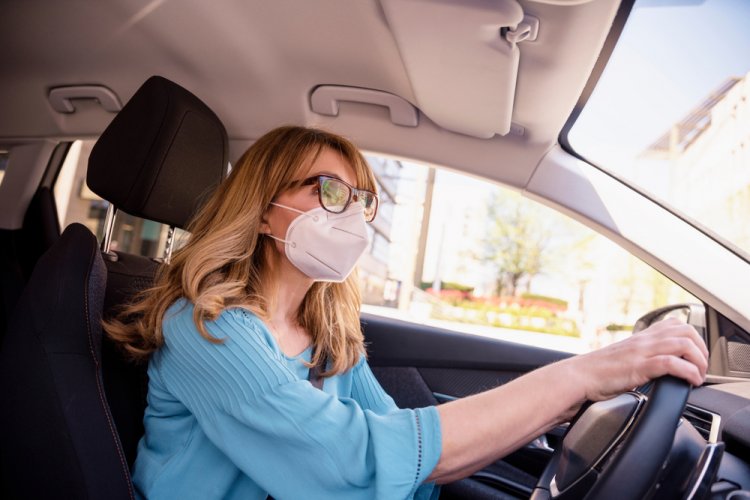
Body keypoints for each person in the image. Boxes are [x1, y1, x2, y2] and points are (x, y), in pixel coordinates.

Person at [106, 126, 708, 500]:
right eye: (329, 190)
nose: (352, 213)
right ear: (264, 212)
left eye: (362, 199)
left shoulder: (325, 338)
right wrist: (579, 374)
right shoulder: (205, 329)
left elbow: (406, 458)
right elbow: (355, 462)